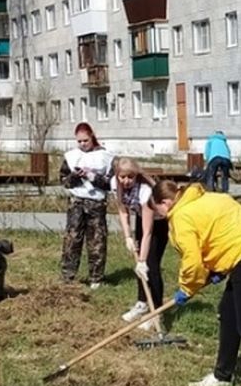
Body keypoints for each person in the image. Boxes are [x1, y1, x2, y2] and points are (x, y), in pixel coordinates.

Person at [151, 179, 241, 386]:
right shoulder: (206, 197)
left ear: (167, 202)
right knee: (229, 317)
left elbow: (192, 262)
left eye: (157, 209)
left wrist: (187, 288)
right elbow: (221, 231)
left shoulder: (181, 216)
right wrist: (218, 268)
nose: (158, 215)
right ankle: (222, 375)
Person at [112, 158, 167, 329]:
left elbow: (148, 232)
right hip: (141, 219)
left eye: (130, 177)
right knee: (140, 264)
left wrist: (143, 261)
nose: (126, 181)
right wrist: (128, 236)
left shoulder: (145, 190)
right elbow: (122, 211)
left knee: (151, 265)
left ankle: (156, 311)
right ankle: (142, 303)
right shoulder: (115, 183)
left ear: (136, 176)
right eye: (123, 177)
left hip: (158, 223)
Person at [58, 122, 113, 288]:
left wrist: (92, 176)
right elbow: (64, 181)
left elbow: (110, 184)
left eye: (85, 141)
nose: (82, 144)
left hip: (96, 203)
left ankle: (96, 277)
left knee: (96, 240)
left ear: (92, 137)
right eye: (79, 141)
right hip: (76, 202)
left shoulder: (106, 156)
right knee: (72, 239)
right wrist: (75, 176)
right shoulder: (71, 156)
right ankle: (68, 275)